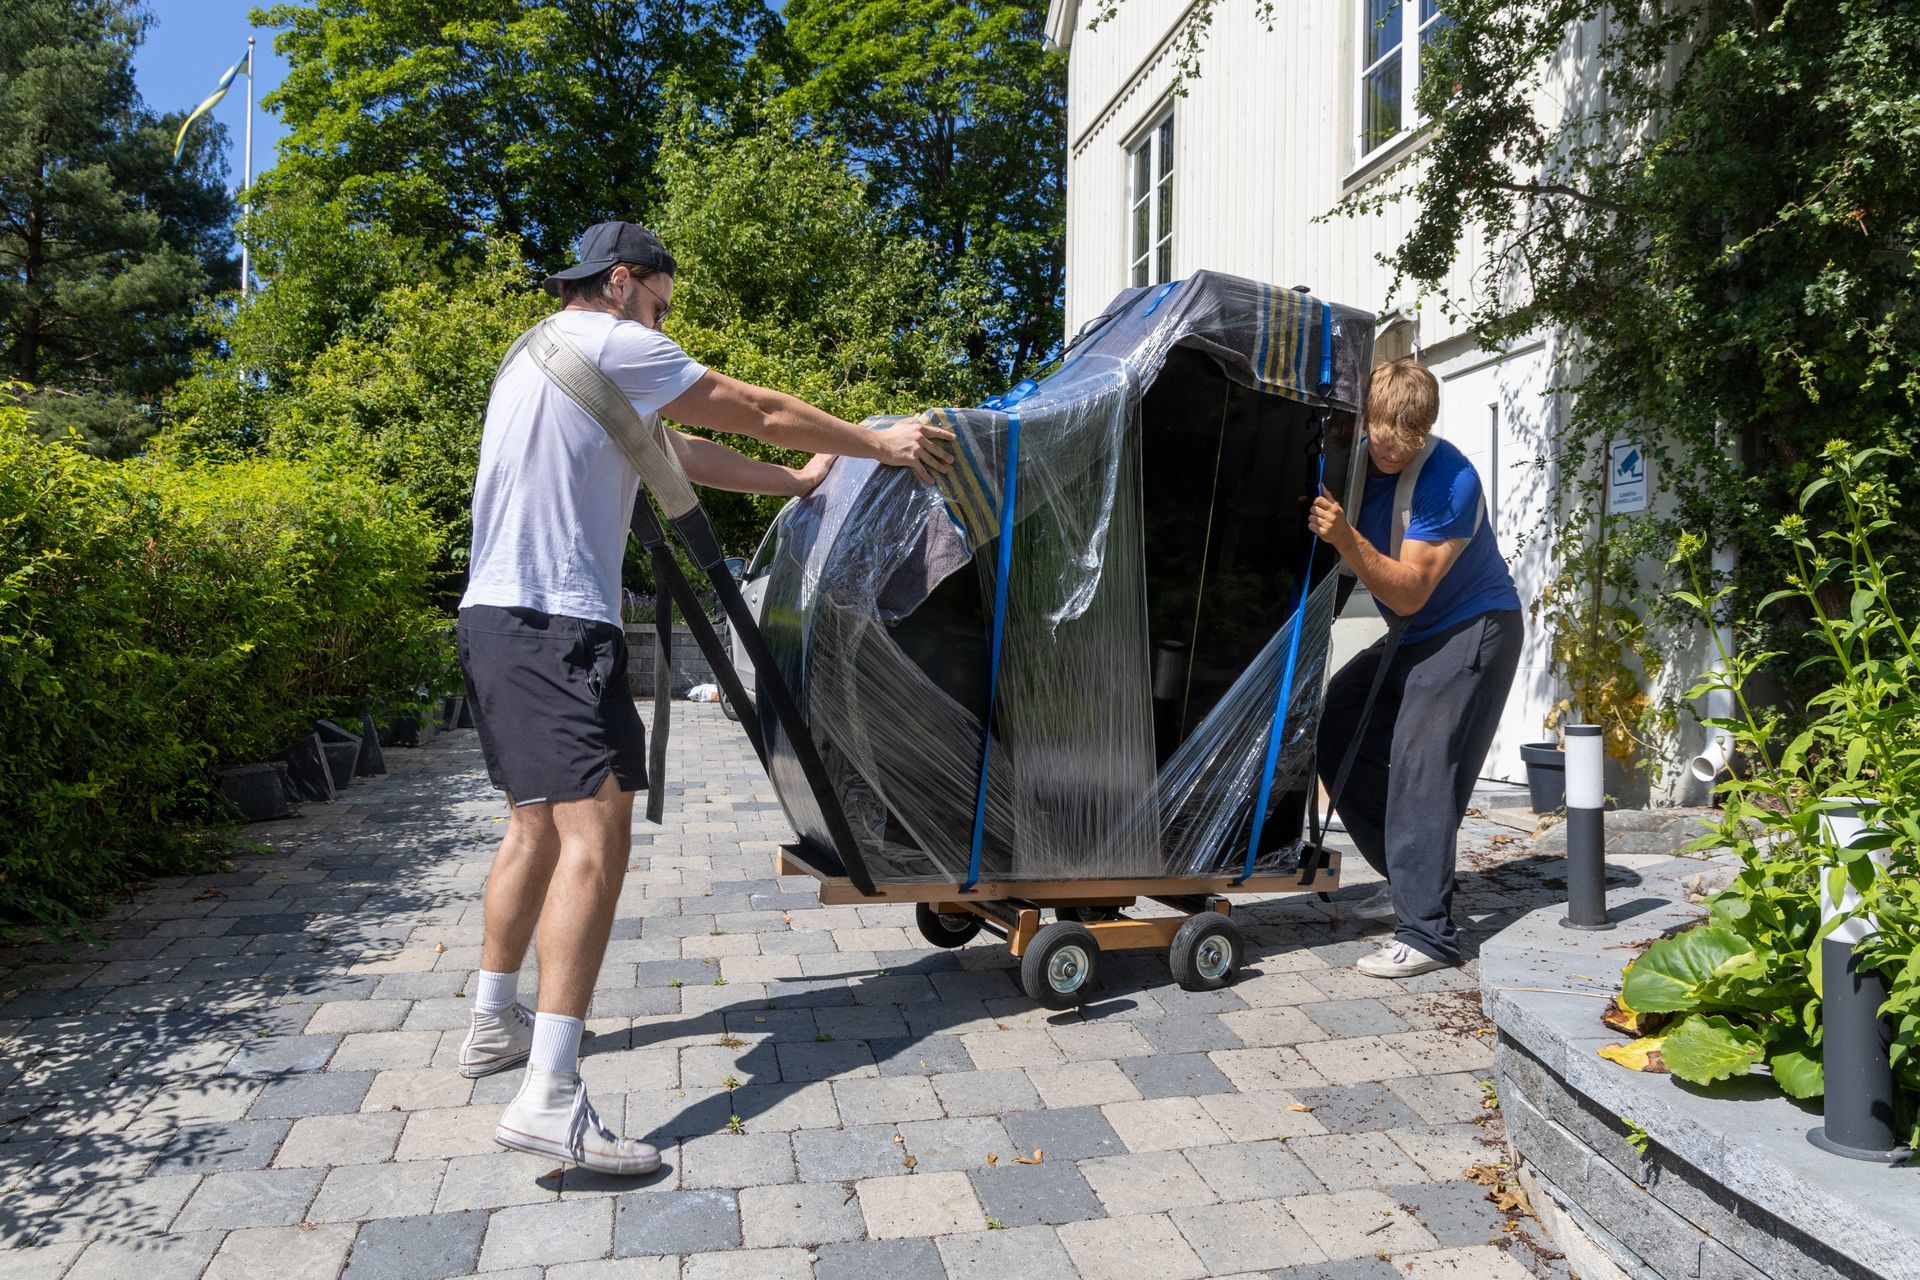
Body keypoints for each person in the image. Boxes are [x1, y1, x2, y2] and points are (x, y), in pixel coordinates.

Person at [453, 221, 956, 1173]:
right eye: (663, 301)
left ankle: (492, 1022)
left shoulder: (537, 356)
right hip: (558, 625)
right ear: (625, 280)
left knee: (533, 826)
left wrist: (798, 483)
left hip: (494, 619)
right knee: (595, 840)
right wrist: (876, 445)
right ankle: (551, 1096)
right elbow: (751, 406)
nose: (666, 320)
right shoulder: (618, 338)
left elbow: (677, 454)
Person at [1305, 357, 1523, 978]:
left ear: (1426, 431)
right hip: (1415, 633)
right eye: (1383, 437)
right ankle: (1410, 883)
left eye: (1410, 441)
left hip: (1471, 627)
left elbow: (1407, 593)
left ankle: (1428, 935)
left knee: (1421, 767)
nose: (1393, 451)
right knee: (1339, 727)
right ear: (1366, 420)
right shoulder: (1349, 458)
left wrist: (1347, 539)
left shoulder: (1450, 480)